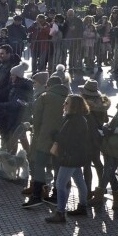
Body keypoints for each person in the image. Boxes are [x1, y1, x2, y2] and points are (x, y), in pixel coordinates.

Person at [23, 74, 69, 209]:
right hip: (61, 139)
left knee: (39, 166)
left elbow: (36, 120)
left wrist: (35, 132)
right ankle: (55, 196)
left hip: (43, 138)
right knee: (57, 168)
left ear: (48, 85)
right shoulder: (68, 98)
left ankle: (37, 195)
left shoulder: (44, 97)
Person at [46, 95, 94, 223]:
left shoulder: (74, 121)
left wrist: (55, 135)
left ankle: (60, 213)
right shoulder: (77, 119)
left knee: (60, 184)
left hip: (70, 157)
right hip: (76, 156)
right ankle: (83, 207)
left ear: (74, 106)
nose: (64, 105)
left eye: (66, 103)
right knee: (79, 182)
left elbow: (69, 140)